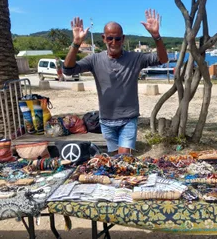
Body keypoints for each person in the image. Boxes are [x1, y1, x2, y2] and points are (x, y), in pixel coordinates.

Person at [63, 9, 168, 155]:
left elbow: (162, 59)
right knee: (114, 163)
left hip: (128, 119)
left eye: (117, 38)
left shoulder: (135, 58)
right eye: (110, 38)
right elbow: (68, 70)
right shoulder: (95, 59)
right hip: (106, 121)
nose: (114, 42)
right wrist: (76, 43)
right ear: (104, 38)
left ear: (123, 39)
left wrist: (156, 36)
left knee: (123, 158)